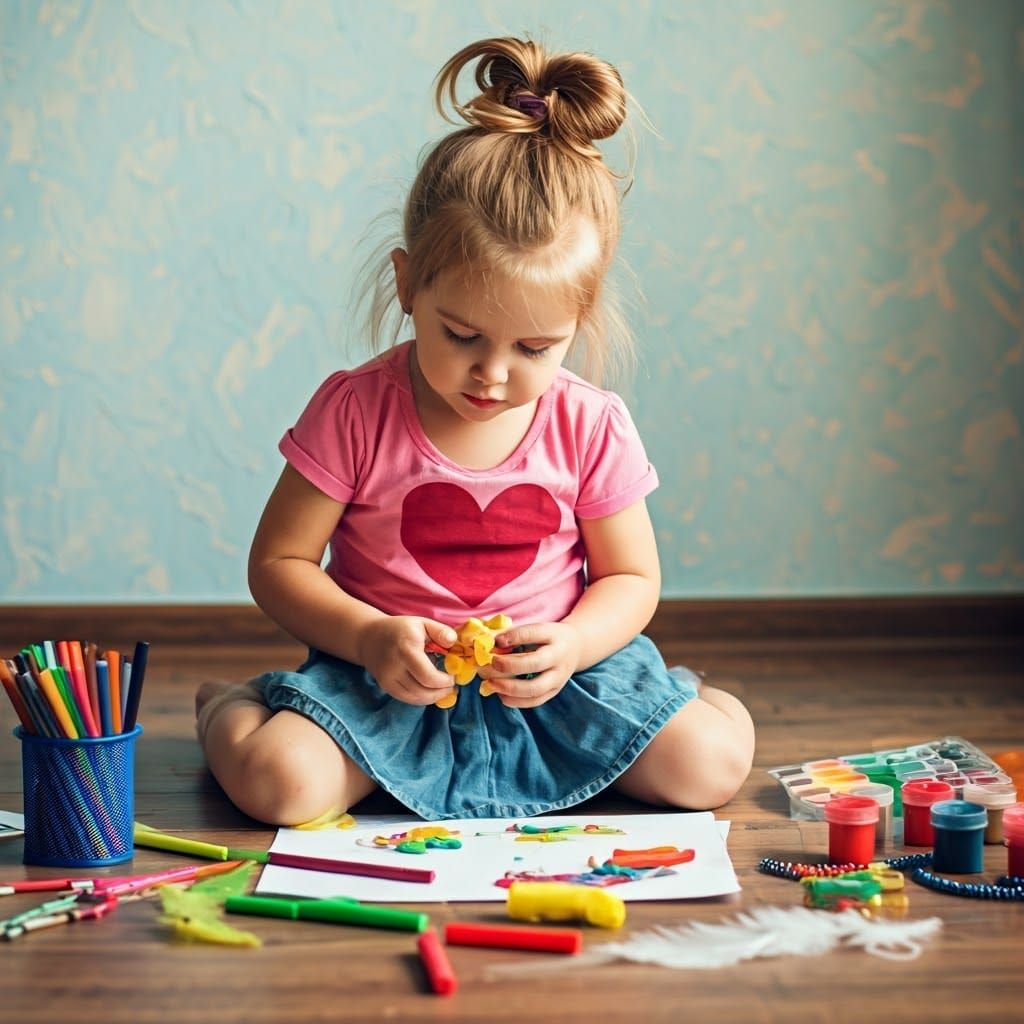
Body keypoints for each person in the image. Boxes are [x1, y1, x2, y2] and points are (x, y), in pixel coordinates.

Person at [196, 36, 754, 825]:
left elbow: (631, 579)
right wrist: (370, 636)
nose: (492, 374)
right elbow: (280, 563)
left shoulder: (589, 423)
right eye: (461, 335)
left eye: (534, 348)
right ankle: (230, 707)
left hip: (557, 684)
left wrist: (573, 645)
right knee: (280, 785)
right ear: (408, 286)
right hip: (385, 681)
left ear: (578, 322)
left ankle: (693, 696)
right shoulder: (355, 411)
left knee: (710, 765)